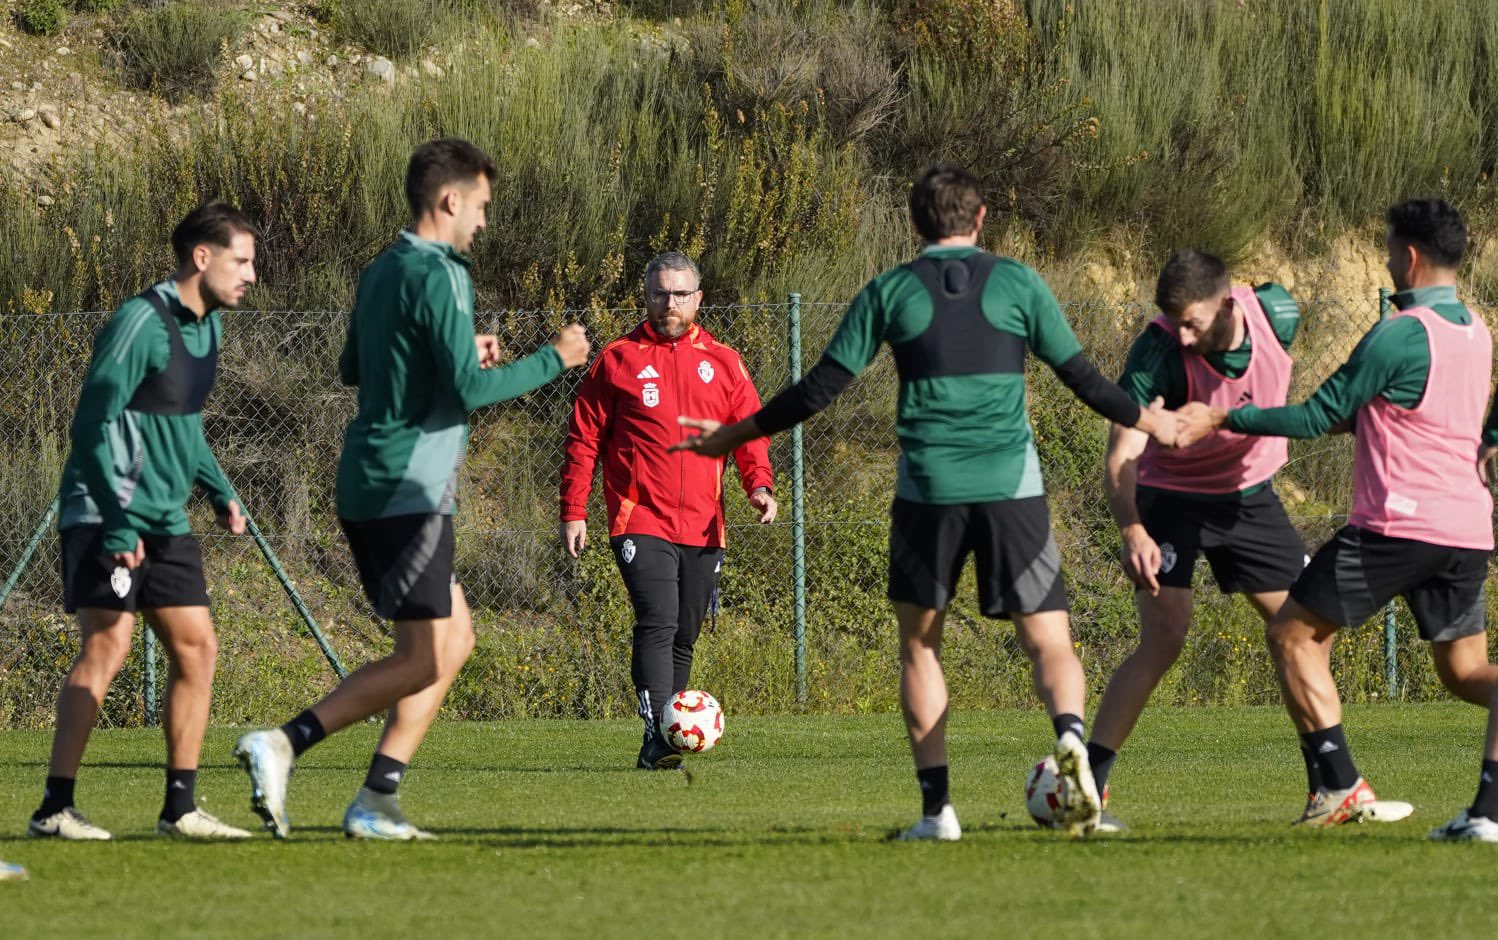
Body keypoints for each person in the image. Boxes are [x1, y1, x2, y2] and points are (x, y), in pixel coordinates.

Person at [671, 164, 1178, 840]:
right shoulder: (1019, 283)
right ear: (981, 219)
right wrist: (1153, 422)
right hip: (1011, 488)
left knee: (920, 646)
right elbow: (1084, 379)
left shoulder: (891, 290)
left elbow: (819, 389)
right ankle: (1073, 741)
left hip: (928, 492)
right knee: (1048, 639)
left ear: (915, 225)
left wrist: (733, 435)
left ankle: (938, 812)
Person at [233, 138, 590, 840]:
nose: (484, 222)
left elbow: (353, 365)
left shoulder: (382, 269)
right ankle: (284, 743)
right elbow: (468, 390)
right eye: (481, 207)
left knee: (454, 642)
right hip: (408, 487)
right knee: (423, 656)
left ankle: (377, 800)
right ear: (450, 200)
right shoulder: (442, 272)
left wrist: (456, 346)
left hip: (372, 479)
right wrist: (557, 358)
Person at [1178, 198, 1498, 827]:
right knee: (1465, 672)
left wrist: (1223, 415)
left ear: (1408, 257)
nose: (1382, 260)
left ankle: (1340, 787)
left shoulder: (1400, 333)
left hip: (1397, 527)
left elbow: (1318, 416)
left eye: (1386, 250)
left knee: (1291, 633)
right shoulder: (1475, 329)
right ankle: (1487, 814)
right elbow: (1401, 413)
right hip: (1466, 529)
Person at [29, 202, 259, 841]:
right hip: (108, 512)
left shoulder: (208, 328)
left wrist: (220, 491)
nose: (251, 275)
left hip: (164, 520)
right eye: (241, 260)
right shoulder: (141, 321)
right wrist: (115, 521)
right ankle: (54, 808)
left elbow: (182, 422)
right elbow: (89, 425)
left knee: (198, 647)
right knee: (108, 645)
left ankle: (179, 810)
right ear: (201, 257)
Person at [1088, 251, 1309, 830]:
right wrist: (1131, 526)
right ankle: (1088, 788)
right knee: (1164, 637)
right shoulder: (1158, 350)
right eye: (1175, 322)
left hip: (1249, 495)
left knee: (1303, 634)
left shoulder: (1279, 314)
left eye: (1194, 322)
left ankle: (1332, 789)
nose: (1183, 335)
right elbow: (1122, 452)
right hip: (1172, 497)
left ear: (1229, 302)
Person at [559, 252, 776, 769]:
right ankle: (657, 733)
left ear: (698, 298)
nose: (670, 303)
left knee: (684, 632)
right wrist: (574, 509)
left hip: (704, 522)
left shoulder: (724, 361)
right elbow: (583, 437)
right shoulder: (618, 359)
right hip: (640, 518)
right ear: (646, 295)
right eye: (660, 293)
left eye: (680, 294)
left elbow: (749, 434)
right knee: (657, 621)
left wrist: (759, 485)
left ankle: (669, 739)